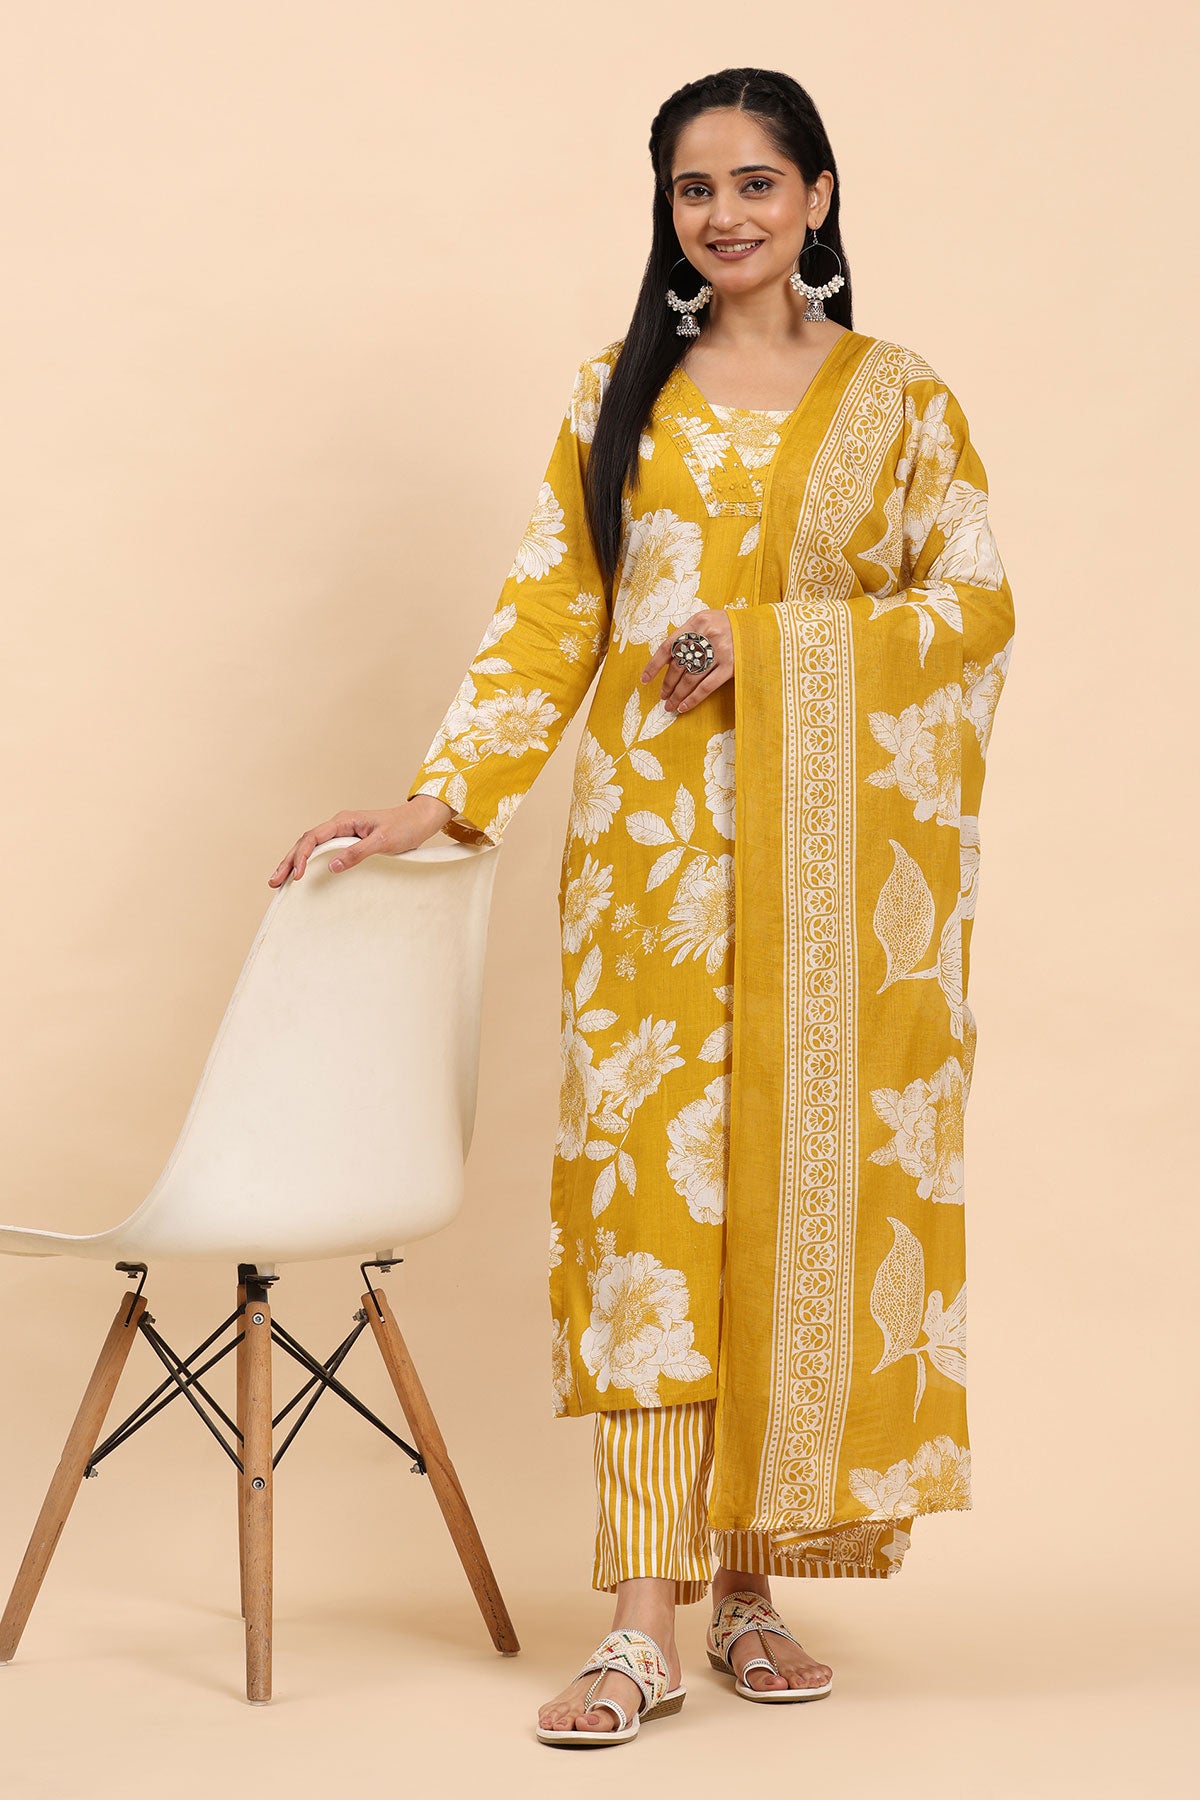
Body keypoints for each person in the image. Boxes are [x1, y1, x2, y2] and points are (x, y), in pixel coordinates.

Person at [269, 65, 1015, 1748]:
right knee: (657, 1225)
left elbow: (972, 610)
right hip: (653, 878)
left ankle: (754, 1592)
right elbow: (553, 615)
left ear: (819, 197)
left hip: (832, 888)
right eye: (695, 188)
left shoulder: (902, 404)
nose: (726, 214)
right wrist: (441, 795)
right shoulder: (622, 396)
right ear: (667, 211)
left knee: (798, 1194)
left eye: (757, 182)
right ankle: (639, 1627)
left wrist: (775, 644)